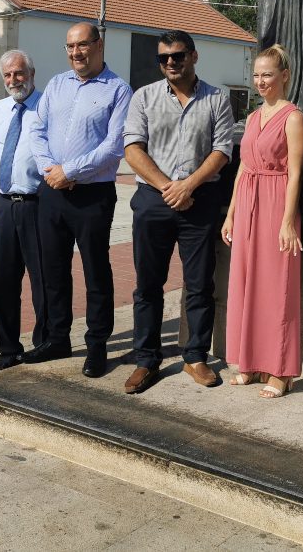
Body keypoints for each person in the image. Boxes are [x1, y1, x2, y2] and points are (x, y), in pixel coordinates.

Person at [121, 30, 235, 395]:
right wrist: (169, 187)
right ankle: (146, 360)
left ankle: (195, 356)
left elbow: (222, 150)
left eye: (178, 55)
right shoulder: (144, 97)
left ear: (194, 56)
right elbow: (133, 150)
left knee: (200, 284)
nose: (171, 62)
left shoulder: (217, 99)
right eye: (164, 57)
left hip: (198, 200)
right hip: (155, 200)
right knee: (148, 285)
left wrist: (188, 186)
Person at [25, 22, 132, 378]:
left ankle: (97, 344)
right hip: (52, 191)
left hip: (92, 195)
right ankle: (57, 338)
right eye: (70, 47)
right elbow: (36, 131)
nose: (75, 53)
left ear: (99, 45)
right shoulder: (56, 84)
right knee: (52, 269)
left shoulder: (118, 90)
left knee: (95, 271)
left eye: (82, 46)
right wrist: (50, 169)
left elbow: (113, 146)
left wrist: (69, 170)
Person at [221, 44, 303, 398]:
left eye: (268, 74)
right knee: (246, 283)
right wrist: (231, 213)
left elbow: (297, 171)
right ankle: (251, 362)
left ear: (284, 76)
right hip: (248, 202)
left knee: (277, 286)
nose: (261, 81)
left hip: (277, 202)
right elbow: (243, 165)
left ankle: (281, 370)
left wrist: (288, 220)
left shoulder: (293, 117)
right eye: (256, 75)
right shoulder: (254, 116)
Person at [0, 49, 47, 371]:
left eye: (19, 73)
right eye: (7, 75)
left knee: (42, 281)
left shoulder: (47, 107)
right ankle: (8, 350)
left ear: (32, 73)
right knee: (4, 284)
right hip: (4, 204)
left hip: (37, 205)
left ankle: (44, 343)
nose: (13, 80)